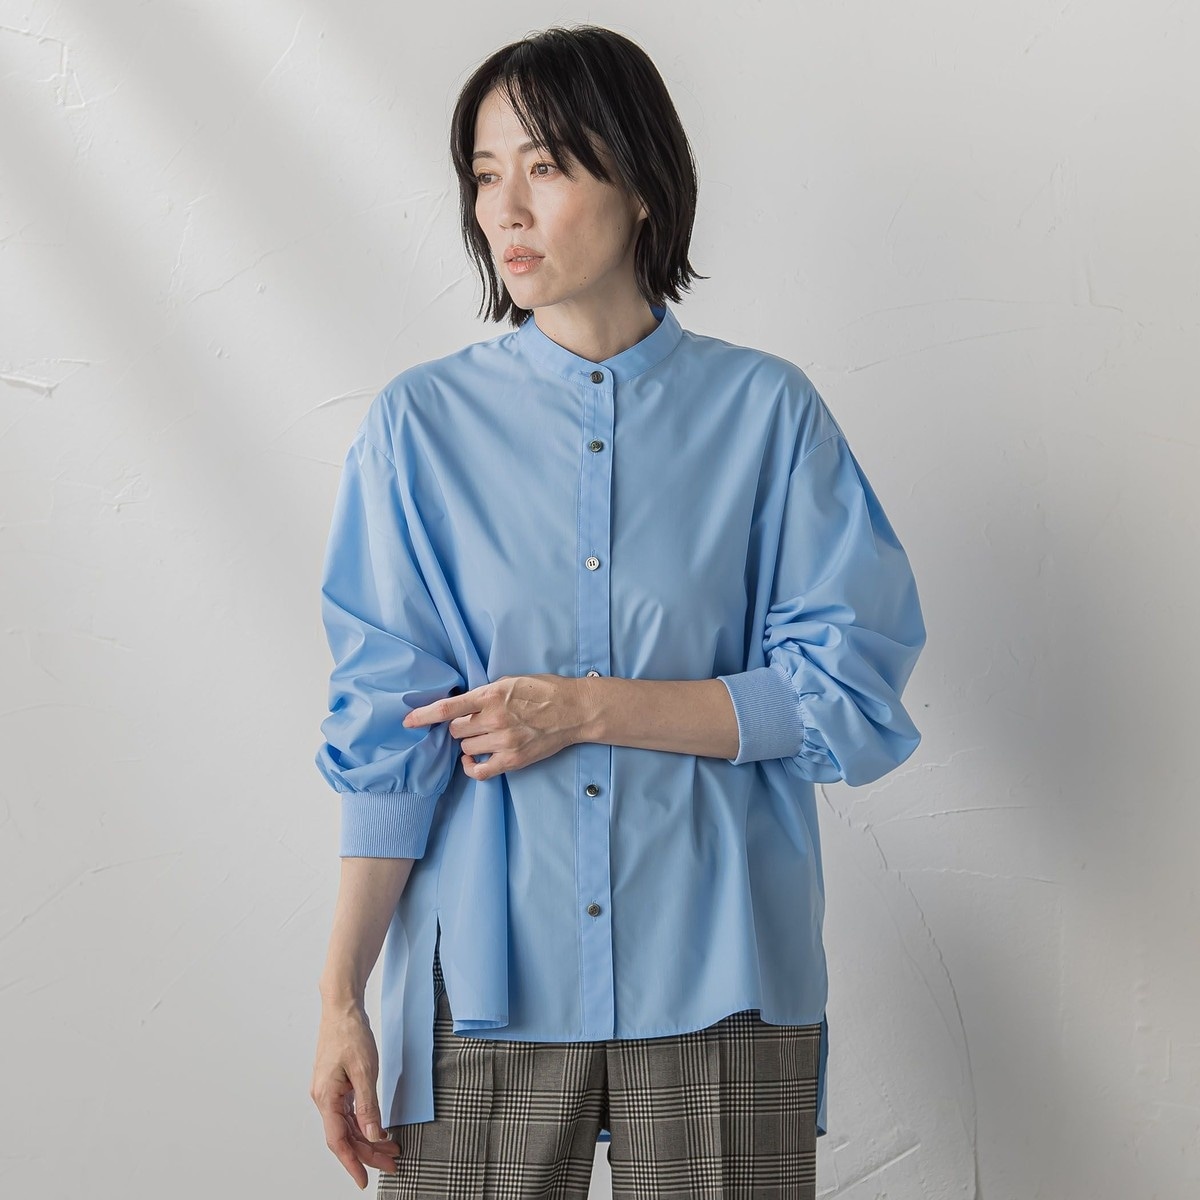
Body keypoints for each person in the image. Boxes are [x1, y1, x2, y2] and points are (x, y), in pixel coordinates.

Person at [310, 23, 926, 1200]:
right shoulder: (419, 429)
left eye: (544, 166)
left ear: (641, 182)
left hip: (722, 972)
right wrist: (341, 998)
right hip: (484, 983)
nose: (506, 210)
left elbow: (845, 694)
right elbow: (389, 737)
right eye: (484, 175)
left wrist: (588, 709)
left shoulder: (767, 416)